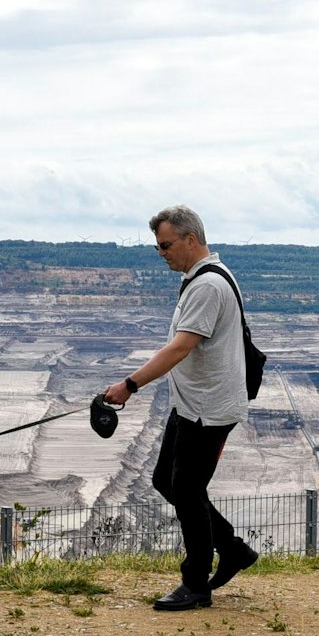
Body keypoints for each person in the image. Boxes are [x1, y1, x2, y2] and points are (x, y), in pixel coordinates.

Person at [102, 206, 258, 610]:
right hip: (193, 404)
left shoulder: (207, 286)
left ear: (191, 239)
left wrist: (130, 385)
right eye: (158, 248)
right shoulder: (205, 278)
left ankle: (196, 585)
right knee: (167, 482)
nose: (163, 253)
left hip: (208, 408)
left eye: (167, 245)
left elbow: (180, 347)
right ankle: (234, 550)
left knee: (186, 491)